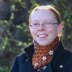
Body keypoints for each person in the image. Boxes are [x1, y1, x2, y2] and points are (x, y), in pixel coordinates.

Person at [11, 5, 72, 72]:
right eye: (36, 24)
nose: (41, 28)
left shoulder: (70, 60)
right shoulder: (20, 61)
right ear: (30, 29)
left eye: (47, 23)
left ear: (59, 28)